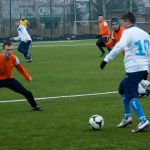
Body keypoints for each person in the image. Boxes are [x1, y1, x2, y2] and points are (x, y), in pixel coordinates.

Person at [100, 12, 150, 133]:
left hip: (134, 68)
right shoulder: (145, 33)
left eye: (122, 22)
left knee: (130, 95)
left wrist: (106, 59)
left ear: (127, 21)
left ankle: (143, 121)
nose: (122, 24)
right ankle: (127, 117)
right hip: (143, 68)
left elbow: (119, 46)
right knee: (122, 89)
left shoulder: (127, 32)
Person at [98, 17, 150, 98]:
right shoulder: (113, 33)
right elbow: (112, 43)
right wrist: (104, 45)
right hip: (128, 57)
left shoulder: (124, 32)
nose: (114, 26)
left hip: (132, 57)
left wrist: (106, 59)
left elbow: (121, 45)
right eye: (113, 24)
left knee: (131, 76)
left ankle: (143, 88)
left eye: (116, 24)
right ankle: (142, 90)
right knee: (132, 76)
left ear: (119, 24)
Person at [0, 40, 43, 111]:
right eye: (7, 50)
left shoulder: (14, 58)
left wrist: (27, 77)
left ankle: (35, 107)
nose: (10, 52)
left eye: (11, 49)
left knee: (27, 93)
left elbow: (20, 69)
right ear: (3, 50)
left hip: (9, 79)